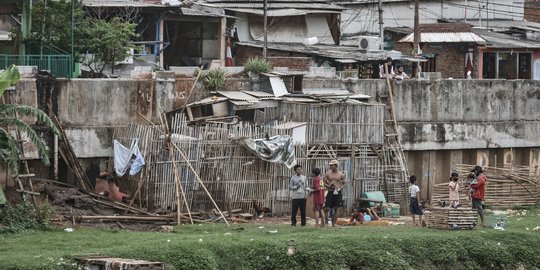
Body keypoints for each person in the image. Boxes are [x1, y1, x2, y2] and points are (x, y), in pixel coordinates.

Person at [324, 159, 346, 227]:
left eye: (332, 165)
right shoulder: (328, 173)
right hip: (330, 191)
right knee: (327, 208)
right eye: (330, 165)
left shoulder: (341, 174)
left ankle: (334, 224)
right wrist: (328, 186)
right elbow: (324, 182)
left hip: (337, 192)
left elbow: (344, 183)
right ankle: (326, 222)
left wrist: (339, 188)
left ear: (336, 166)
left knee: (336, 208)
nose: (331, 166)